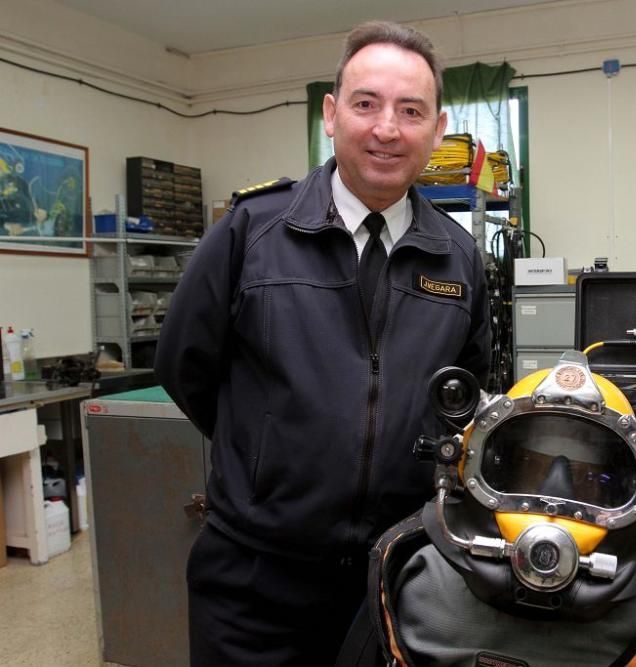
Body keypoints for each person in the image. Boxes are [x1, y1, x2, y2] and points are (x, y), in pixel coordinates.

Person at [154, 20, 491, 665]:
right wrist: (270, 451)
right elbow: (184, 366)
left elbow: (460, 395)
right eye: (366, 104)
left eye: (410, 111)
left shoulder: (458, 256)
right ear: (332, 116)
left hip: (397, 577)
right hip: (255, 580)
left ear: (437, 130)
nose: (386, 129)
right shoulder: (251, 230)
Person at [336, 351, 636, 666]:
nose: (553, 497)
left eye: (587, 478)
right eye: (531, 469)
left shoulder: (406, 564)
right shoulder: (407, 565)